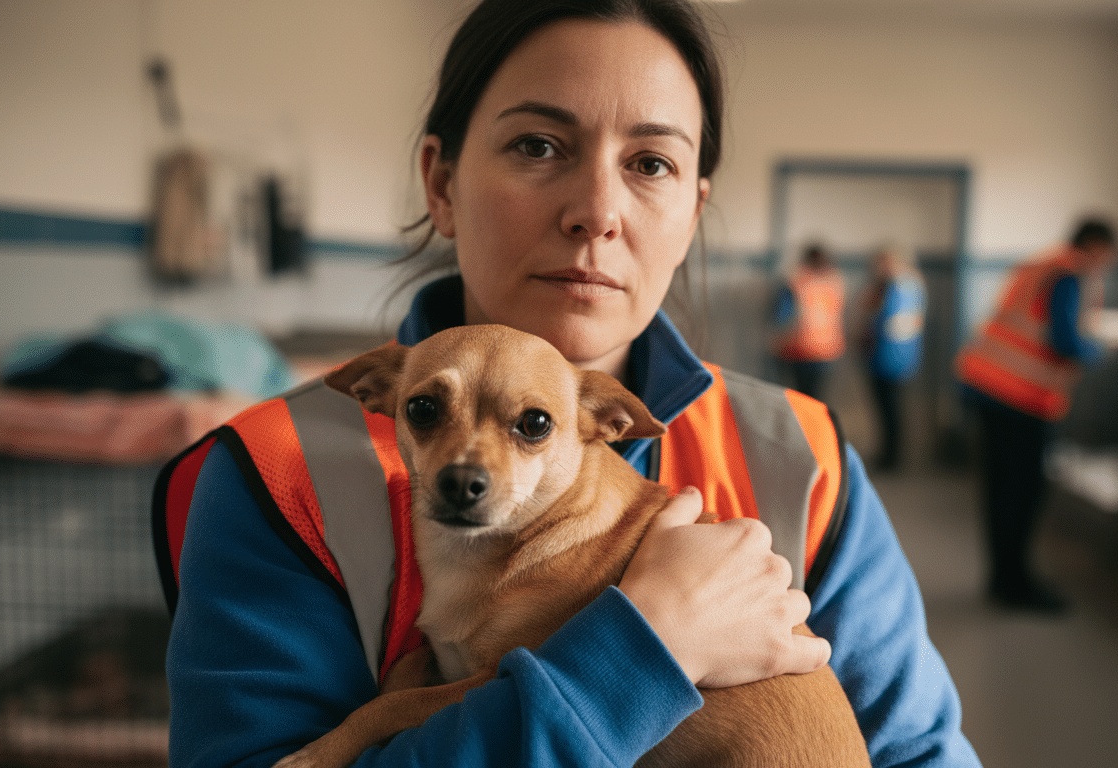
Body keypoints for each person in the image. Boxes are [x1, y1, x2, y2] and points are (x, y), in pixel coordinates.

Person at [155, 1, 982, 766]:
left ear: (692, 215)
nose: (597, 210)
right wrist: (642, 656)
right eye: (538, 146)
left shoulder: (802, 459)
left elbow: (919, 751)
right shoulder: (275, 473)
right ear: (441, 184)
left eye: (650, 163)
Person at [955, 218, 1117, 614]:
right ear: (1096, 246)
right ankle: (1016, 583)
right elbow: (1064, 341)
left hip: (987, 384)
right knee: (1022, 494)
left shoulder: (1039, 266)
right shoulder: (1069, 274)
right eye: (1108, 256)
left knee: (1000, 491)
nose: (1107, 265)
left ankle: (1003, 577)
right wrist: (1102, 349)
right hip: (1019, 397)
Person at [857, 245, 926, 471]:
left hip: (887, 356)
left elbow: (878, 320)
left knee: (889, 409)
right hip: (902, 357)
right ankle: (890, 454)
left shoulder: (894, 287)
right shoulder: (914, 285)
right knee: (890, 408)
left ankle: (891, 457)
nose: (877, 269)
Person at [772, 244, 847, 401]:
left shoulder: (796, 282)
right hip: (828, 350)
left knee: (801, 400)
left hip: (800, 349)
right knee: (818, 401)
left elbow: (781, 317)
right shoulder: (835, 282)